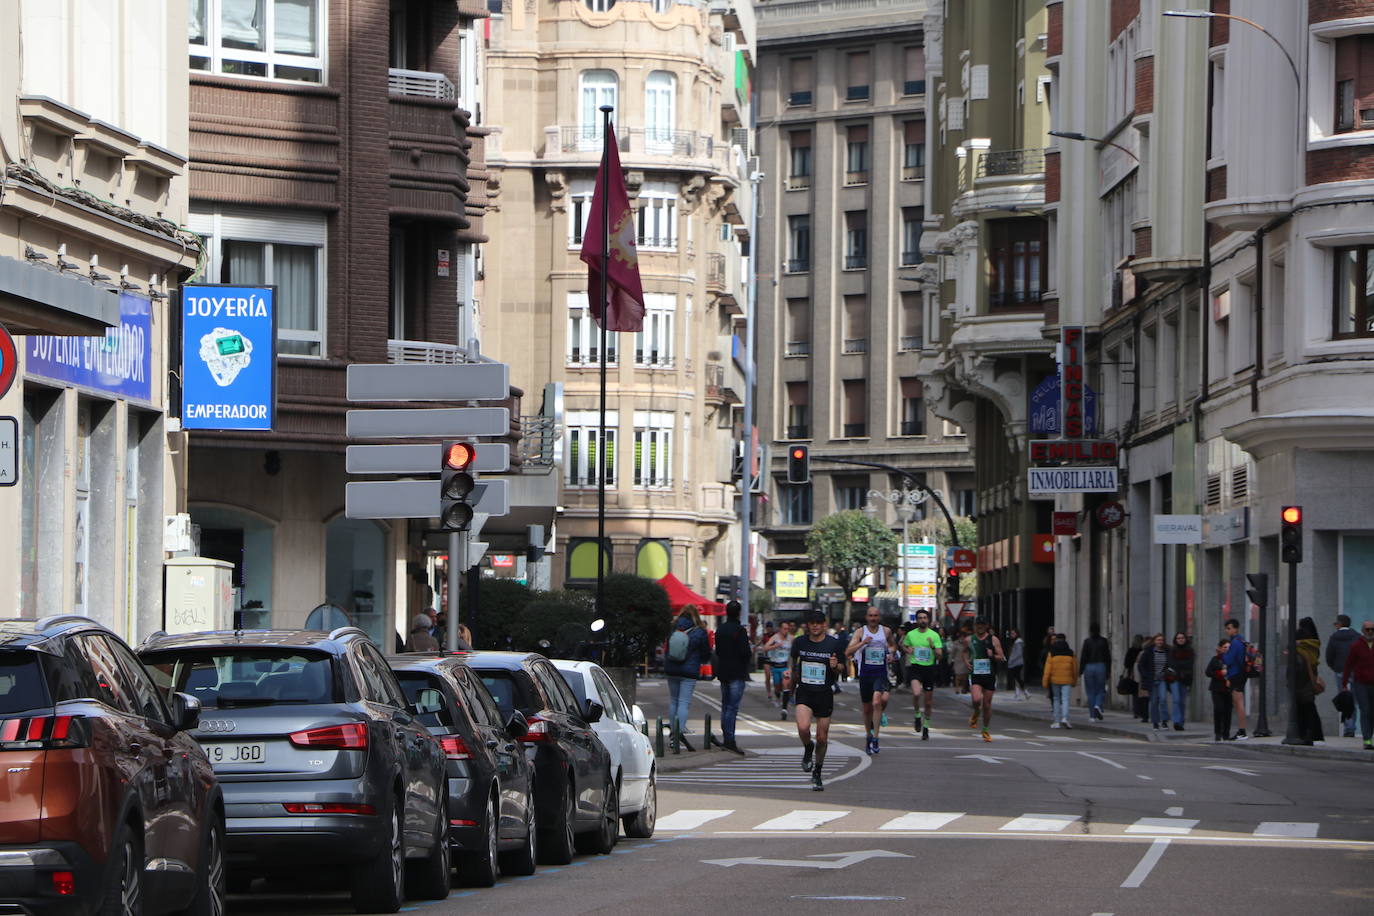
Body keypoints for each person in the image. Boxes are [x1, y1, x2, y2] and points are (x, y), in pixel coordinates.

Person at [785, 610, 846, 790]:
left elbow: (843, 668)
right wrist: (790, 673)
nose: (815, 626)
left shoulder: (833, 644)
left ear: (824, 624)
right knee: (803, 728)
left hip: (824, 693)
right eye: (812, 623)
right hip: (804, 692)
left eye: (819, 622)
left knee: (822, 737)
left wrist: (836, 667)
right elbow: (793, 659)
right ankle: (807, 748)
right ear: (808, 625)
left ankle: (817, 772)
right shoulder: (800, 642)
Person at [847, 606, 897, 755]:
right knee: (867, 708)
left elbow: (893, 645)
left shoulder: (886, 631)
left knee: (877, 702)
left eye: (876, 615)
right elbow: (848, 651)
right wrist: (862, 643)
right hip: (865, 674)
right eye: (870, 616)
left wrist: (891, 653)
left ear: (879, 617)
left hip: (880, 673)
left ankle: (875, 738)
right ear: (866, 617)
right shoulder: (860, 632)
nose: (873, 618)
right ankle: (868, 736)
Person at [664, 605, 711, 741]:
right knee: (684, 702)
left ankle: (673, 732)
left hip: (672, 669)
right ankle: (679, 734)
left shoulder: (673, 627)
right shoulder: (699, 631)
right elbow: (705, 653)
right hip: (689, 671)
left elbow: (667, 648)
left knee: (674, 701)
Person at [714, 600, 753, 755]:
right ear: (739, 613)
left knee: (725, 705)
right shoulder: (739, 631)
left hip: (723, 671)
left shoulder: (720, 629)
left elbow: (717, 651)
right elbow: (745, 652)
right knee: (732, 707)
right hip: (737, 672)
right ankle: (729, 740)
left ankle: (726, 737)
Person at [903, 610, 944, 740]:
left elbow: (939, 655)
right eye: (920, 618)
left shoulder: (934, 635)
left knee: (928, 702)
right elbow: (904, 645)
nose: (922, 620)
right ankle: (916, 715)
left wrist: (932, 647)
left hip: (929, 669)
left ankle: (926, 726)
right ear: (916, 620)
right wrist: (907, 649)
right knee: (916, 693)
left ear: (928, 620)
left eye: (925, 618)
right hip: (916, 668)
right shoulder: (911, 634)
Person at [967, 617, 1005, 742]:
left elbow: (1001, 657)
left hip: (989, 675)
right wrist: (966, 662)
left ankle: (985, 729)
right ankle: (976, 713)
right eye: (978, 624)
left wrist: (992, 655)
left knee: (987, 704)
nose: (980, 627)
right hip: (976, 674)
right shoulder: (969, 639)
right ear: (975, 626)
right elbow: (963, 652)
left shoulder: (993, 640)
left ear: (986, 625)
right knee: (976, 699)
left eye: (982, 624)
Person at [1341, 620, 1374, 750]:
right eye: (1367, 629)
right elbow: (1348, 665)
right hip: (1361, 684)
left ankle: (1369, 736)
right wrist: (1344, 683)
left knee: (1372, 712)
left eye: (1372, 629)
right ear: (1363, 631)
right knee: (1365, 711)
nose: (1370, 632)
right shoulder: (1356, 646)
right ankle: (1367, 739)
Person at [1293, 617, 1325, 746]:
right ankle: (1314, 734)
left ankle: (1306, 735)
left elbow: (1298, 667)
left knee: (1303, 709)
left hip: (1302, 681)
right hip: (1311, 678)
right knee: (1310, 708)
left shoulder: (1301, 649)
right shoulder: (1314, 644)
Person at [1327, 615, 1360, 738]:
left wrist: (1335, 667)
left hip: (1340, 670)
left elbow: (1329, 656)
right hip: (1356, 671)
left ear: (1339, 624)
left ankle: (1349, 727)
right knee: (1356, 700)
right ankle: (1357, 726)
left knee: (1346, 699)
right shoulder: (1357, 637)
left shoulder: (1334, 638)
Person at [1042, 634, 1078, 728]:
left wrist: (1045, 681)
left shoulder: (1052, 653)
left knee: (1056, 699)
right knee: (1065, 699)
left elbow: (1047, 669)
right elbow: (1075, 669)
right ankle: (1065, 717)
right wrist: (1074, 680)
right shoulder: (1071, 653)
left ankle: (1056, 721)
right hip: (1067, 679)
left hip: (1055, 679)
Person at [762, 620, 796, 719]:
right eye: (784, 629)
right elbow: (765, 648)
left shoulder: (791, 638)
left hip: (785, 666)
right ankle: (777, 694)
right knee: (777, 687)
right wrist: (776, 646)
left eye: (787, 629)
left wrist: (791, 667)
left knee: (786, 685)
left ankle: (784, 709)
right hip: (775, 666)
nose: (786, 631)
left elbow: (795, 652)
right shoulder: (775, 637)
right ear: (780, 629)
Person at [1222, 619, 1249, 739]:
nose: (1227, 631)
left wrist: (1224, 653)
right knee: (1238, 702)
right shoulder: (1242, 641)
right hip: (1240, 674)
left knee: (1238, 703)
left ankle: (1242, 731)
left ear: (1235, 629)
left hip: (1236, 674)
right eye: (1226, 628)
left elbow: (1229, 660)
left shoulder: (1235, 643)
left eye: (1229, 628)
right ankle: (1241, 730)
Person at [1138, 633, 1170, 729]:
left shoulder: (1167, 651)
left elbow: (1170, 664)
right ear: (1154, 641)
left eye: (1162, 640)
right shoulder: (1148, 652)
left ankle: (1164, 721)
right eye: (1158, 640)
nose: (1160, 642)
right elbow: (1141, 665)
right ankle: (1155, 722)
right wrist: (1145, 676)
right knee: (1154, 701)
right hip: (1152, 680)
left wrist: (1168, 672)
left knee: (1163, 700)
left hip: (1162, 680)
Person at [1080, 623, 1111, 719]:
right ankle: (1097, 705)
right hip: (1101, 665)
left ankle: (1092, 716)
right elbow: (1107, 657)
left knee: (1090, 692)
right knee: (1101, 689)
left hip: (1089, 666)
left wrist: (1081, 670)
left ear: (1090, 631)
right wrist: (1108, 670)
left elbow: (1083, 657)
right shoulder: (1104, 641)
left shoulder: (1087, 642)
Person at [1204, 639, 1234, 742]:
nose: (1227, 649)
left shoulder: (1233, 659)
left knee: (1228, 711)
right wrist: (1220, 673)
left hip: (1229, 689)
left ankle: (1226, 733)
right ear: (1220, 648)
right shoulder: (1215, 659)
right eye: (1225, 647)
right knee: (1219, 709)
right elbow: (1208, 672)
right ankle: (1218, 732)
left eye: (1229, 648)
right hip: (1217, 688)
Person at [1167, 632, 1194, 732]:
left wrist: (1180, 665)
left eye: (1182, 638)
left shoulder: (1190, 650)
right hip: (1175, 678)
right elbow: (1172, 663)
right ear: (1175, 640)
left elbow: (1189, 663)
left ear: (1185, 639)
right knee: (1176, 700)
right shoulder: (1172, 650)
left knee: (1182, 701)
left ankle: (1181, 721)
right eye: (1178, 638)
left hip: (1185, 678)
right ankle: (1176, 721)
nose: (1180, 640)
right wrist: (1180, 665)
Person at [1123, 635, 1148, 722]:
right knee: (1141, 693)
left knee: (1135, 694)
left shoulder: (1131, 650)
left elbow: (1126, 663)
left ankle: (1136, 711)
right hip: (1140, 674)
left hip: (1132, 674)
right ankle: (1141, 711)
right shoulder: (1142, 651)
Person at [1005, 628, 1027, 700]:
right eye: (1011, 633)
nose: (1012, 635)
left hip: (1017, 663)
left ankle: (1025, 692)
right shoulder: (1015, 642)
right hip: (1016, 662)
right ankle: (1018, 694)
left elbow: (1018, 653)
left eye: (1013, 633)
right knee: (1016, 678)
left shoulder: (1018, 642)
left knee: (1017, 678)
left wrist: (1011, 660)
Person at [951, 627, 971, 695]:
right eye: (961, 637)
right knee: (958, 676)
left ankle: (963, 688)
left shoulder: (968, 643)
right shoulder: (956, 643)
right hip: (958, 661)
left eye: (963, 637)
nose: (962, 638)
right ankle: (957, 688)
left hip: (965, 661)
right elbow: (952, 652)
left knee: (965, 676)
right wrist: (951, 659)